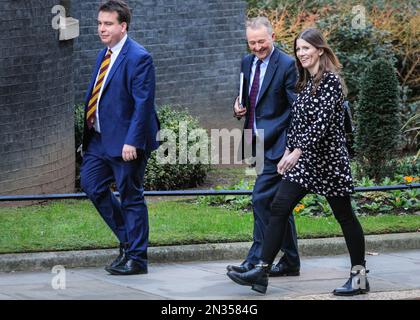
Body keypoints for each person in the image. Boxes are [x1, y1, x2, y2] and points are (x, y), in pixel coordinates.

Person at [227, 28, 369, 296]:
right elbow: (298, 121)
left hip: (329, 162)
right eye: (298, 49)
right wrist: (288, 149)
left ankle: (359, 278)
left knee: (345, 216)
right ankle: (261, 270)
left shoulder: (331, 81)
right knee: (278, 207)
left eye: (306, 48)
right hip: (306, 162)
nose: (301, 54)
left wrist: (296, 152)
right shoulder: (306, 80)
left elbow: (322, 123)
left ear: (320, 50)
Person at [80, 0, 159, 275]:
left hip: (127, 142)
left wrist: (133, 141)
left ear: (122, 26)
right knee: (91, 184)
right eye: (100, 23)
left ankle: (137, 259)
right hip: (100, 140)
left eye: (108, 24)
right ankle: (129, 239)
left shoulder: (139, 57)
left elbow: (143, 104)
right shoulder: (106, 53)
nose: (102, 29)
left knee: (130, 196)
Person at [226, 17, 301, 277]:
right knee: (278, 205)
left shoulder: (288, 65)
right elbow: (247, 97)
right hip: (255, 142)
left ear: (273, 36)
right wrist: (237, 106)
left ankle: (255, 261)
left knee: (260, 200)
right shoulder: (247, 62)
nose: (256, 47)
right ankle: (291, 261)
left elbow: (296, 110)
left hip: (278, 146)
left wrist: (290, 148)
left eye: (261, 41)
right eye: (251, 43)